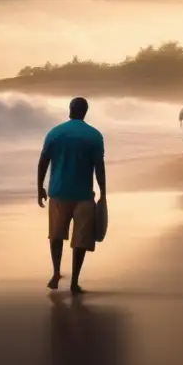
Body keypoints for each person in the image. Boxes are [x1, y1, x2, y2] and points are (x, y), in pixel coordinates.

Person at [38, 96, 106, 295]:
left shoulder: (55, 133)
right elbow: (99, 167)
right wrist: (103, 192)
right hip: (84, 195)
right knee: (81, 240)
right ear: (85, 112)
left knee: (56, 235)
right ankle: (75, 282)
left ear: (70, 110)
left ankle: (56, 272)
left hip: (58, 192)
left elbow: (43, 161)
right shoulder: (94, 136)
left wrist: (39, 188)